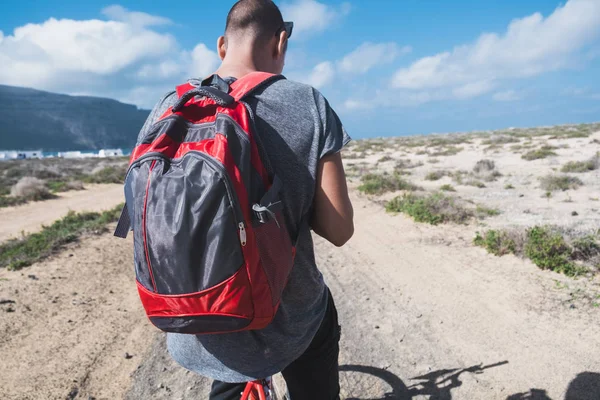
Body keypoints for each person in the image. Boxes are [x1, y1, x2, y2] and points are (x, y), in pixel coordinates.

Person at [138, 0, 354, 398]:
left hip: (199, 318)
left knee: (231, 354)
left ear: (222, 45)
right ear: (281, 41)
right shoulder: (307, 103)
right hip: (290, 319)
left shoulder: (168, 108)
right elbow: (339, 230)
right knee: (315, 329)